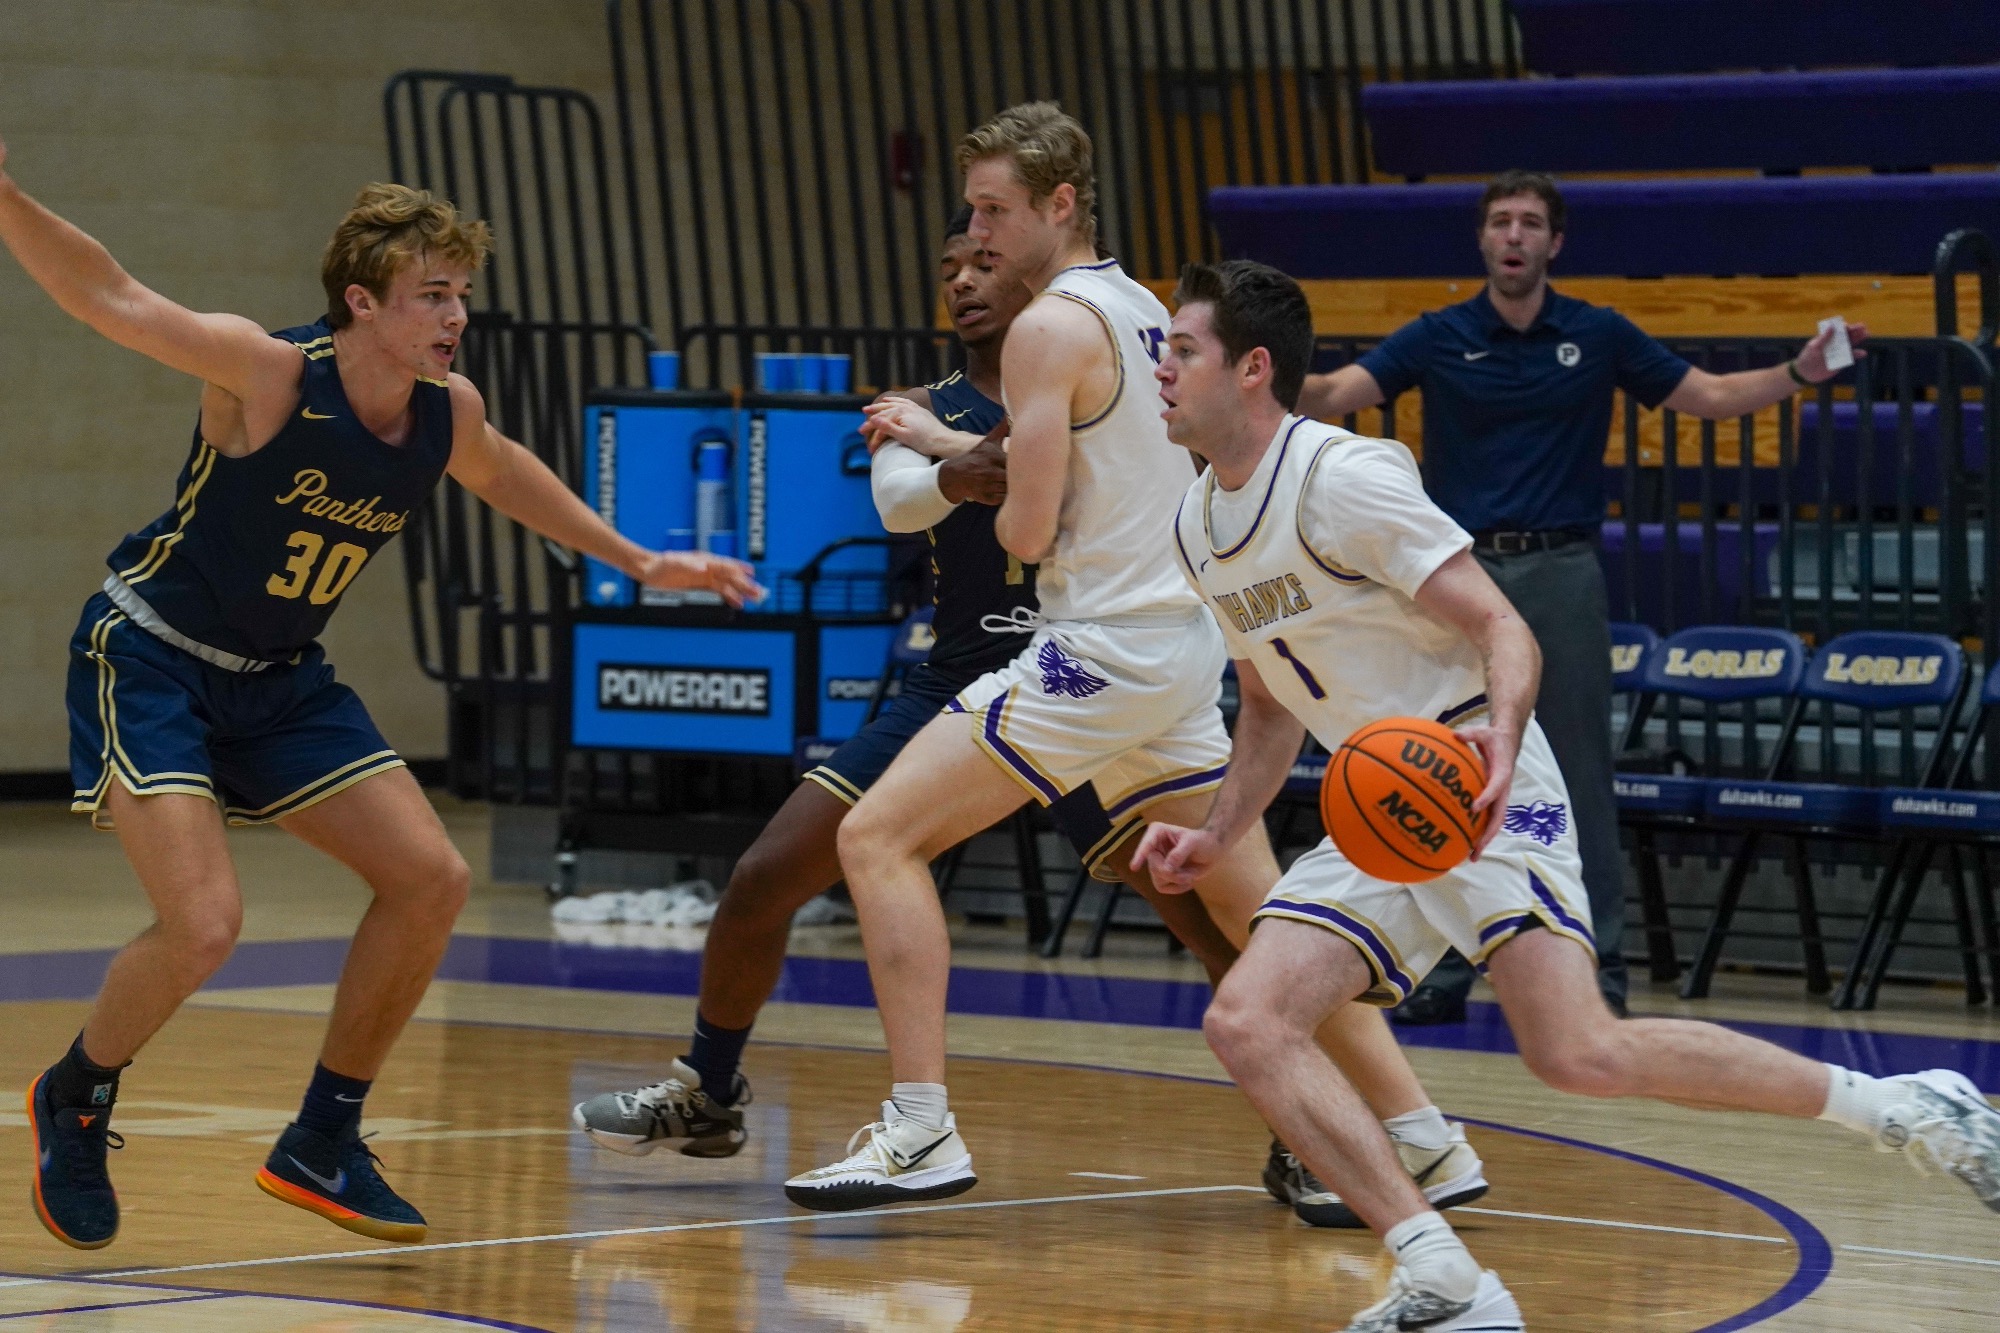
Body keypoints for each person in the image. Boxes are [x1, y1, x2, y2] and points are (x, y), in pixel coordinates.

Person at [1142, 258, 2000, 1332]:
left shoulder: (1340, 477)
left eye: (1180, 348)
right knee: (1248, 1020)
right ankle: (1445, 1281)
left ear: (1250, 367)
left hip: (1469, 772)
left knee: (1576, 1051)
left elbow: (1502, 625)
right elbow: (1268, 702)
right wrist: (1219, 833)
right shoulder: (1192, 522)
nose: (1159, 367)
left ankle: (1902, 1104)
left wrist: (1500, 742)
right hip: (1379, 800)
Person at [0, 140, 760, 1251]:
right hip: (152, 656)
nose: (455, 317)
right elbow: (106, 293)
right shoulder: (266, 373)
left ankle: (322, 1136)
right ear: (362, 301)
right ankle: (75, 1089)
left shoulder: (445, 410)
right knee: (206, 923)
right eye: (431, 295)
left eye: (462, 295)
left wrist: (641, 562)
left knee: (429, 876)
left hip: (280, 682)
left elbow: (504, 472)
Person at [784, 103, 1480, 1223]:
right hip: (1174, 648)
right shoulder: (1145, 308)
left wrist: (952, 465)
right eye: (969, 210)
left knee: (875, 834)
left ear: (1059, 203)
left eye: (994, 210)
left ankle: (919, 1127)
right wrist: (962, 448)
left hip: (1097, 648)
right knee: (1250, 906)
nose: (978, 230)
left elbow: (1022, 529)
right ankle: (1420, 1135)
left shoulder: (1044, 329)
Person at [568, 209, 1245, 1163]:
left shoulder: (1096, 373)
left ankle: (1295, 1099)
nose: (964, 279)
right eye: (949, 268)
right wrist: (953, 462)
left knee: (1194, 904)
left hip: (1087, 674)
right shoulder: (912, 404)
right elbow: (896, 502)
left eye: (982, 259)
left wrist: (970, 460)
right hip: (962, 675)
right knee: (766, 877)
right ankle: (707, 1089)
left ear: (1036, 274)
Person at [1296, 170, 1866, 1023]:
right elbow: (1337, 394)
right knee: (1440, 769)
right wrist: (1247, 368)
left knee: (1579, 779)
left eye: (1530, 222)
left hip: (1561, 573)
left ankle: (1599, 975)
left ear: (1554, 243)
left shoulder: (1596, 333)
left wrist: (1799, 370)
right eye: (1500, 221)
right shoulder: (1441, 334)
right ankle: (1442, 975)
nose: (1514, 235)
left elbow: (1704, 398)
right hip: (1459, 577)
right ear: (1483, 240)